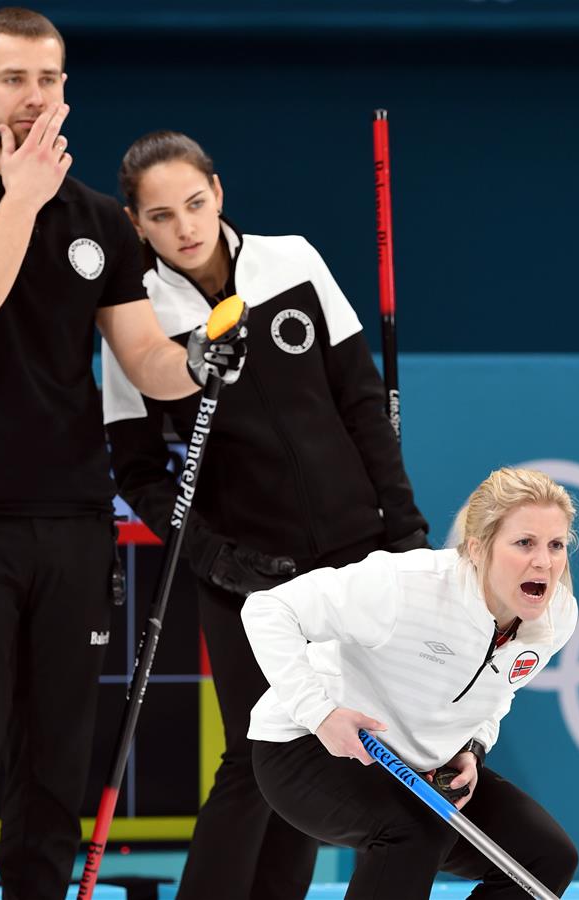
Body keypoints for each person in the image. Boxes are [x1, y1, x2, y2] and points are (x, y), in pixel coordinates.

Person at [0, 11, 245, 900]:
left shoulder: (98, 220)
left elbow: (146, 364)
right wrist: (20, 199)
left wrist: (199, 357)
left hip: (74, 524)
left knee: (51, 774)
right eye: (13, 79)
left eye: (47, 81)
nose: (32, 98)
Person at [101, 130, 430, 900]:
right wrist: (212, 556)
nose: (185, 226)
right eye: (161, 215)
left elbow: (359, 401)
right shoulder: (136, 315)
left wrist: (404, 528)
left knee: (320, 753)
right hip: (246, 572)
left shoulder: (293, 259)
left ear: (218, 190)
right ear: (134, 223)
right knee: (255, 753)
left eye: (194, 202)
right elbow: (140, 470)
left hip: (353, 553)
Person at [242, 466, 579, 899]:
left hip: (420, 766)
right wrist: (320, 713)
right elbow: (267, 610)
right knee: (416, 830)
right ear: (477, 549)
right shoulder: (404, 586)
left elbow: (497, 693)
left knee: (545, 858)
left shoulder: (556, 617)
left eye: (556, 545)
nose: (544, 562)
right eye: (524, 543)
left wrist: (472, 747)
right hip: (306, 746)